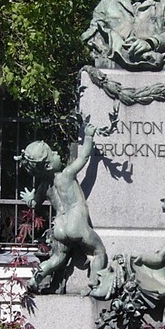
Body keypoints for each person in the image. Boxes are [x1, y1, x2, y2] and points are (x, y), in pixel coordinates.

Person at [18, 123, 109, 296]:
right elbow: (83, 158)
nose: (57, 153)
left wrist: (29, 198)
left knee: (57, 259)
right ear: (47, 165)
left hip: (59, 225)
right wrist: (89, 137)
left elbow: (34, 204)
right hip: (75, 220)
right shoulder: (66, 175)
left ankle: (36, 279)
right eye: (53, 154)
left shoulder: (44, 186)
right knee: (98, 251)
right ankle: (94, 284)